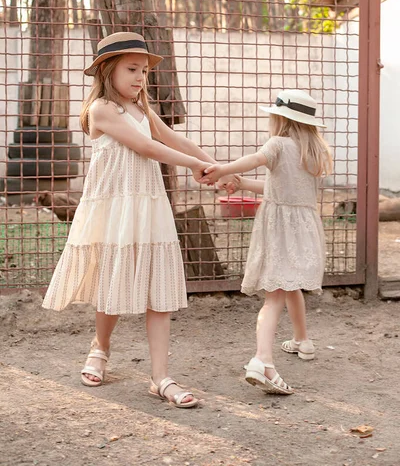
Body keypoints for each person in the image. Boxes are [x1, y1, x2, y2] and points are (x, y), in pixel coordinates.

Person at [42, 31, 237, 408]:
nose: (140, 78)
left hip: (149, 207)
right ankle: (100, 348)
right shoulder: (101, 109)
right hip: (115, 208)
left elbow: (173, 139)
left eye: (144, 72)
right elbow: (147, 147)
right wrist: (196, 166)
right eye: (132, 69)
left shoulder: (143, 110)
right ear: (107, 70)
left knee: (158, 292)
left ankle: (161, 377)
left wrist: (217, 167)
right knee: (112, 286)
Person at [202, 89, 332, 395]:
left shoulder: (277, 144)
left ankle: (262, 360)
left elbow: (255, 159)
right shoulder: (312, 152)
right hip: (304, 228)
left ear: (279, 119)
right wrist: (242, 182)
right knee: (290, 285)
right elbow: (281, 188)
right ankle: (303, 341)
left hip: (279, 230)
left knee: (273, 295)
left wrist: (224, 169)